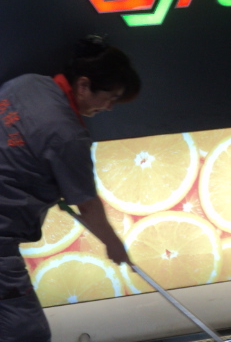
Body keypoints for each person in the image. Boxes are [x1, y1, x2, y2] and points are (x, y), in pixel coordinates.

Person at [0, 35, 141, 342]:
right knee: (27, 334)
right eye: (110, 97)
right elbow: (87, 205)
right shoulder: (67, 135)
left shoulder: (27, 84)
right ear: (83, 85)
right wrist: (114, 244)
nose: (110, 107)